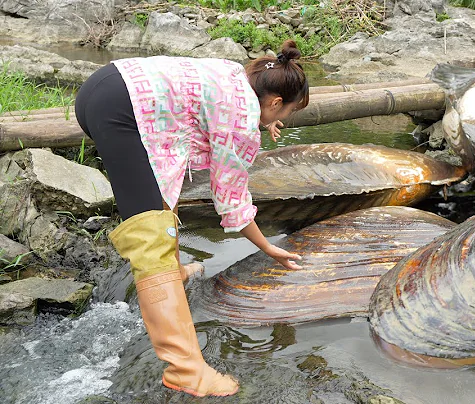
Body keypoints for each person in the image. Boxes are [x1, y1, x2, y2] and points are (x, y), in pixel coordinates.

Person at [74, 40, 309, 397]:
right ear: (275, 102)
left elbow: (215, 116)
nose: (282, 120)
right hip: (121, 110)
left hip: (102, 88)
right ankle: (186, 369)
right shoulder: (241, 119)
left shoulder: (240, 78)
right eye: (285, 113)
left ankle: (173, 270)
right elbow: (230, 199)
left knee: (159, 180)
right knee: (150, 231)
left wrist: (262, 121)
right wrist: (267, 247)